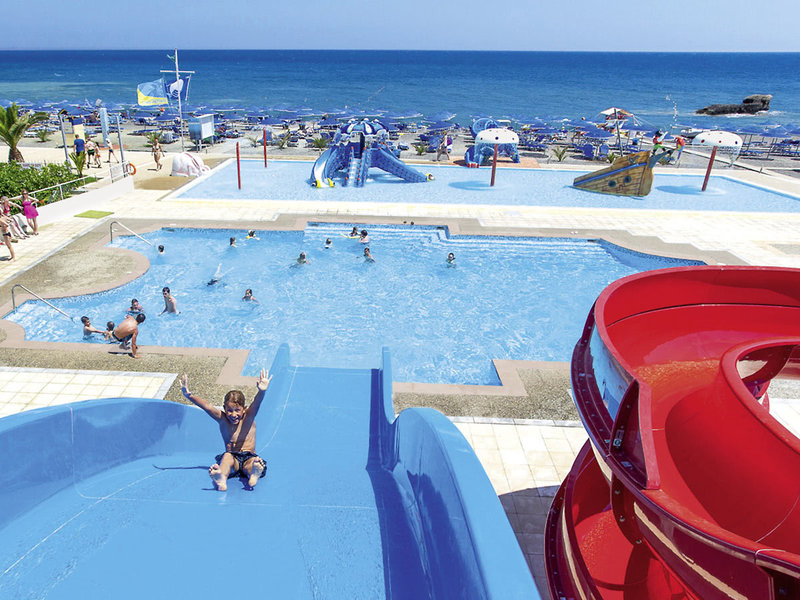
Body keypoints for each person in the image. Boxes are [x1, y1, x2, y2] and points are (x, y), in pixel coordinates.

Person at [180, 369, 272, 491]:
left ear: (244, 409)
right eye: (229, 410)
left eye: (237, 410)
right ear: (224, 408)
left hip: (248, 456)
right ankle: (222, 479)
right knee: (227, 458)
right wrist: (189, 396)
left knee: (251, 463)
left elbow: (256, 403)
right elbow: (207, 406)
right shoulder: (222, 419)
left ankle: (253, 474)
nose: (233, 414)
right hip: (232, 458)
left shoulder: (248, 417)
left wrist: (262, 391)